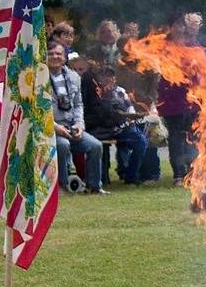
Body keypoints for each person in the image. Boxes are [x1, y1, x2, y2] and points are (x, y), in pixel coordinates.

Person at [48, 41, 107, 194]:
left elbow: (78, 104)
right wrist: (54, 126)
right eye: (51, 53)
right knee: (62, 145)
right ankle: (61, 186)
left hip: (71, 126)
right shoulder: (37, 78)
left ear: (65, 57)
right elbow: (37, 109)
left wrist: (80, 125)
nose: (55, 56)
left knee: (95, 146)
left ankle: (94, 187)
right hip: (49, 128)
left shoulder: (74, 77)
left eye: (58, 54)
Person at [157, 13, 202, 186]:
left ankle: (193, 172)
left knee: (193, 136)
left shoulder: (194, 45)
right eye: (176, 25)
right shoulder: (164, 46)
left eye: (182, 25)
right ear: (171, 28)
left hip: (193, 98)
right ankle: (179, 174)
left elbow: (201, 71)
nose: (180, 28)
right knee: (176, 137)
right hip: (172, 100)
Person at [84, 66, 149, 186]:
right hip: (101, 129)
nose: (110, 79)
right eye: (106, 76)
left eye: (112, 76)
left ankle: (131, 176)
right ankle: (102, 178)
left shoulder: (120, 91)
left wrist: (133, 116)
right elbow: (95, 113)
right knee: (101, 146)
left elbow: (130, 109)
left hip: (122, 127)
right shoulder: (95, 92)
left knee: (141, 141)